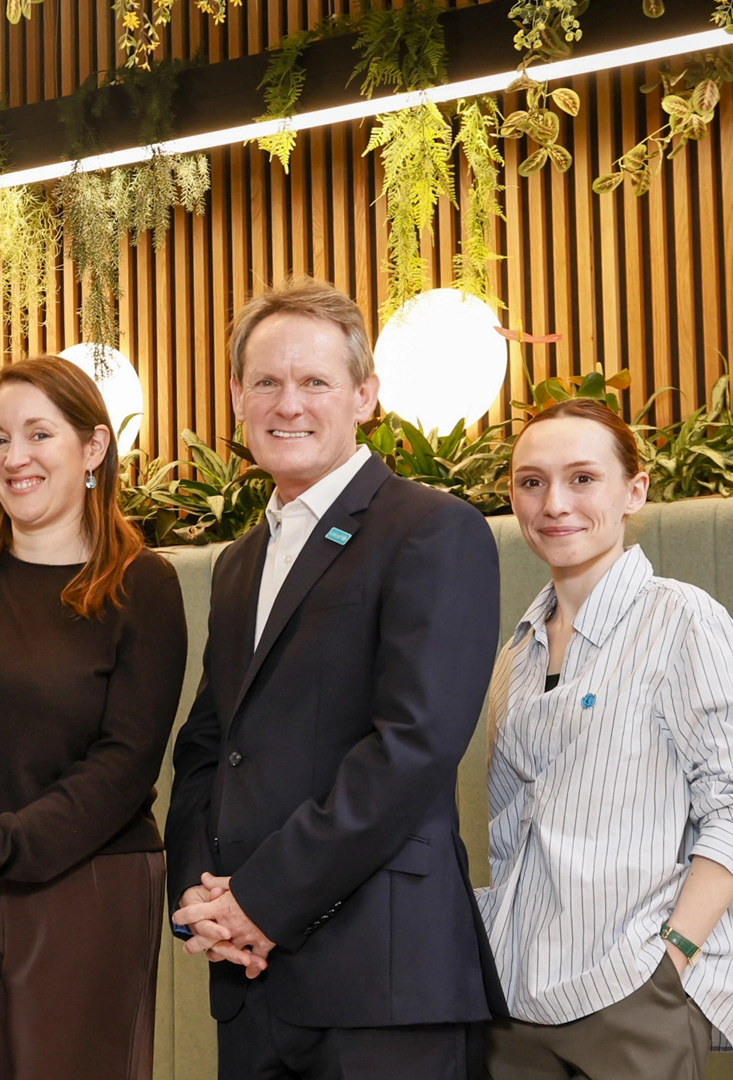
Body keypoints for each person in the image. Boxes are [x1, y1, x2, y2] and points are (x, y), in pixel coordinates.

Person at [164, 278, 502, 1079]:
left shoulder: (432, 530)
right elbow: (211, 745)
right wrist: (200, 899)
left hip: (381, 982)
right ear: (237, 398)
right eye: (267, 382)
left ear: (365, 396)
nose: (289, 404)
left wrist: (262, 901)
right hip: (249, 978)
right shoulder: (239, 562)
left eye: (315, 381)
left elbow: (412, 749)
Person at [0, 355, 187, 1080]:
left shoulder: (142, 584)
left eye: (39, 434)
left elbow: (125, 766)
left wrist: (0, 843)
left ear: (93, 447)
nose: (15, 458)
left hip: (85, 887)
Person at [478, 398, 733, 1078]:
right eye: (532, 482)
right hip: (513, 997)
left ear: (634, 491)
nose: (555, 503)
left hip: (634, 990)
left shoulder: (682, 619)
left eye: (583, 478)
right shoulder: (513, 655)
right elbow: (512, 831)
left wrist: (672, 958)